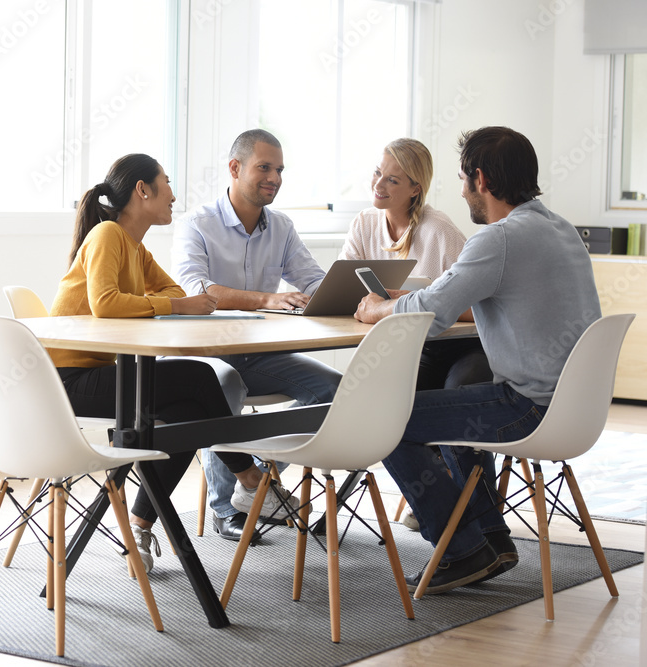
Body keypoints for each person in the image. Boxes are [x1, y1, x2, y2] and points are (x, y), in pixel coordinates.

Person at [354, 126, 602, 594]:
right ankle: (491, 539)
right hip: (575, 408)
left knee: (381, 418)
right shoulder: (560, 228)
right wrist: (410, 297)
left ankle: (462, 549)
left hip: (528, 407)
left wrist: (377, 308)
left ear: (481, 180)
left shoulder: (499, 240)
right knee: (458, 407)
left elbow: (428, 316)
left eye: (464, 178)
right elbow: (445, 297)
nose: (463, 189)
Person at [49, 153, 284, 573]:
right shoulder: (107, 235)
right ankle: (250, 477)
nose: (174, 195)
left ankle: (139, 523)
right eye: (167, 182)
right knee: (196, 377)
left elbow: (177, 291)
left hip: (104, 374)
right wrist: (177, 304)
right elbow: (106, 305)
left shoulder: (134, 248)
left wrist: (178, 302)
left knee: (188, 413)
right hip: (69, 380)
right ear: (143, 190)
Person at [171, 129, 341, 541]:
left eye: (279, 169)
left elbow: (313, 279)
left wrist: (345, 294)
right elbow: (196, 289)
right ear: (235, 168)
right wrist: (267, 298)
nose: (275, 178)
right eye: (264, 167)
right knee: (220, 390)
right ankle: (226, 507)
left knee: (336, 391)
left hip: (260, 355)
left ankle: (259, 480)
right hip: (205, 356)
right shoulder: (197, 224)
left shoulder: (281, 226)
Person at [341, 138, 493, 531]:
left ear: (414, 189)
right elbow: (345, 293)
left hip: (461, 347)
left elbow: (479, 307)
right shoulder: (364, 224)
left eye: (392, 180)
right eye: (378, 173)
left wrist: (414, 300)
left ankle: (475, 520)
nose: (379, 185)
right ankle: (442, 501)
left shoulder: (439, 231)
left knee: (458, 397)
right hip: (412, 347)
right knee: (382, 407)